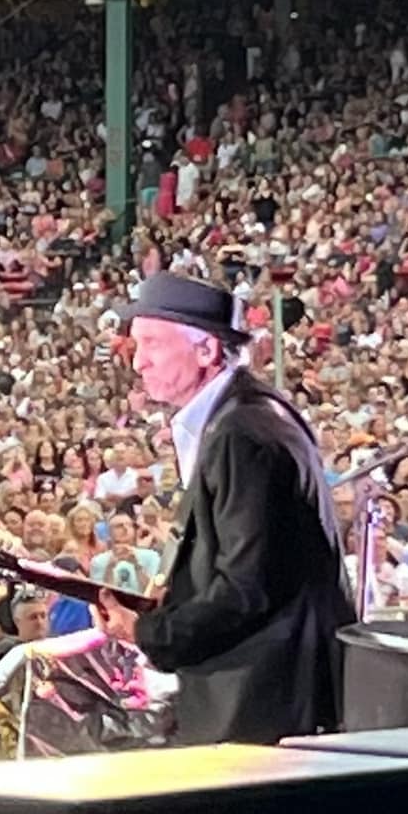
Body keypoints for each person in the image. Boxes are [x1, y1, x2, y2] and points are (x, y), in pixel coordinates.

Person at [96, 274, 351, 744]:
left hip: (262, 704)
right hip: (261, 693)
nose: (138, 361)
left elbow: (247, 585)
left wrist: (153, 633)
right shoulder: (245, 417)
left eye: (151, 343)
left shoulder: (243, 435)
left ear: (207, 351)